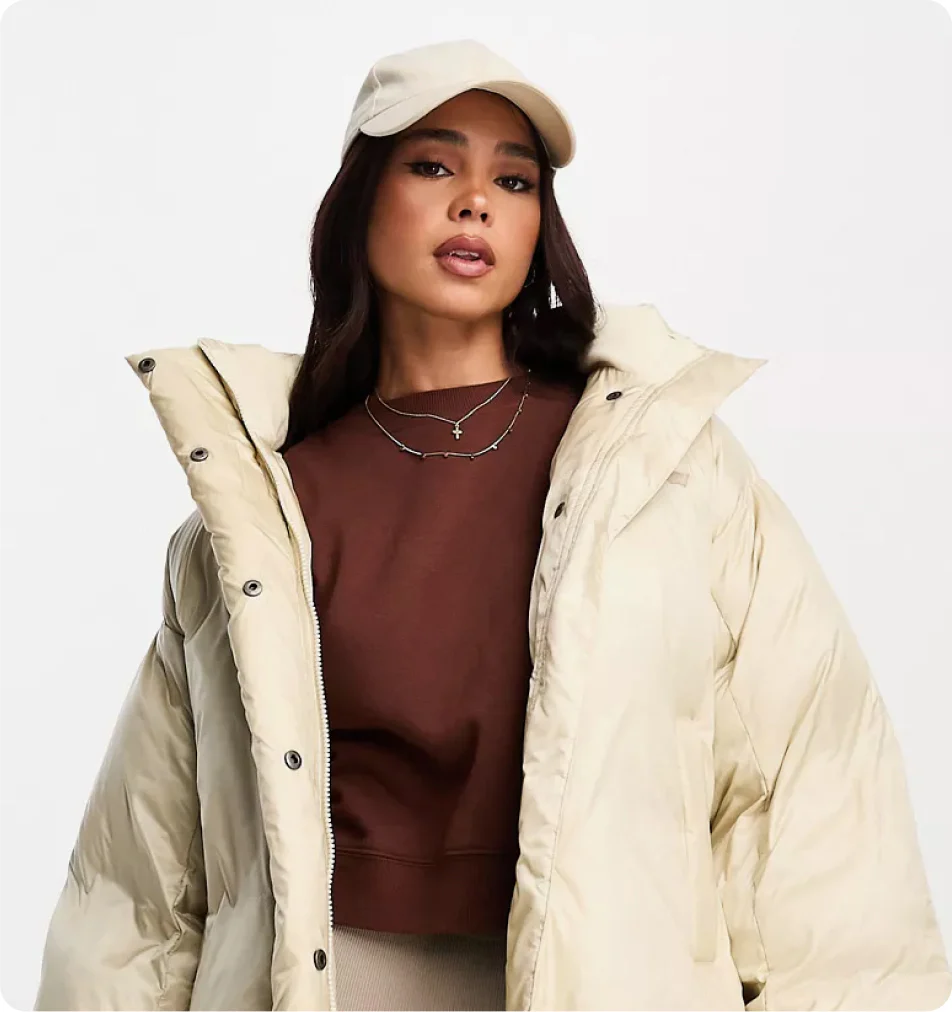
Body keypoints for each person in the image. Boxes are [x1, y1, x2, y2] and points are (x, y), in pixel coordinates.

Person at [34, 37, 951, 1012]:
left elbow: (812, 795)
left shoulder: (664, 472)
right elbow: (141, 891)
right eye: (433, 166)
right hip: (328, 983)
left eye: (514, 181)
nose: (475, 201)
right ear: (358, 204)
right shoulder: (256, 517)